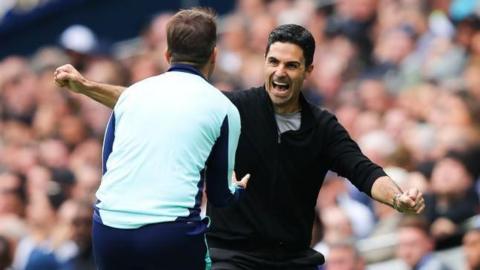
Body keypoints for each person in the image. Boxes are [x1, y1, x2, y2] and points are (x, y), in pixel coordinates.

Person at [55, 23, 425, 269]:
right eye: (273, 62)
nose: (280, 72)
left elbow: (363, 171)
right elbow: (153, 101)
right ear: (264, 64)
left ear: (308, 71)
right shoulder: (230, 107)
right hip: (229, 256)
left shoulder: (324, 127)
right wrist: (87, 87)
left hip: (294, 258)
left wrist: (397, 199)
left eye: (292, 65)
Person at [55, 8, 249, 270]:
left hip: (109, 232)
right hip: (171, 235)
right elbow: (220, 195)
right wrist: (239, 189)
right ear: (214, 55)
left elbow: (109, 168)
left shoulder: (131, 95)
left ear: (167, 55)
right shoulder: (225, 109)